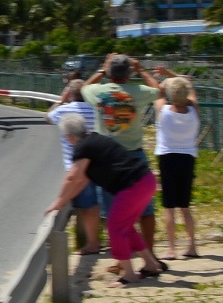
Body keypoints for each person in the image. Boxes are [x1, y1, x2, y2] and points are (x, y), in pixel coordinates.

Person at [45, 114, 166, 288]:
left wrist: (58, 201)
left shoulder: (83, 147)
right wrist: (66, 198)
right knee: (126, 227)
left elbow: (73, 177)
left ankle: (129, 275)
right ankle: (150, 264)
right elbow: (82, 179)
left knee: (115, 227)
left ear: (69, 137)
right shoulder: (93, 139)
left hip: (132, 186)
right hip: (145, 180)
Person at [81, 53, 162, 252]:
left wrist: (102, 68)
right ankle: (149, 254)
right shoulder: (139, 92)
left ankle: (121, 257)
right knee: (145, 210)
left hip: (107, 160)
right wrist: (141, 69)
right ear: (129, 73)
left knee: (113, 213)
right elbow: (159, 90)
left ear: (109, 72)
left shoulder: (97, 92)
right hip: (134, 155)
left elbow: (83, 87)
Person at [46, 79, 101, 254]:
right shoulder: (95, 110)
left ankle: (90, 243)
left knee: (85, 208)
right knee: (96, 205)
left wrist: (61, 100)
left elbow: (48, 117)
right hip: (97, 164)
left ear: (70, 93)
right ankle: (95, 240)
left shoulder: (63, 110)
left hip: (76, 167)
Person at [152, 69, 201, 260]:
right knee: (185, 206)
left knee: (169, 206)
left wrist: (163, 80)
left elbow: (157, 91)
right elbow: (188, 83)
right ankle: (192, 245)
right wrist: (172, 74)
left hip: (167, 157)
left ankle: (171, 248)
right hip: (188, 157)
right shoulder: (194, 110)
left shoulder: (163, 111)